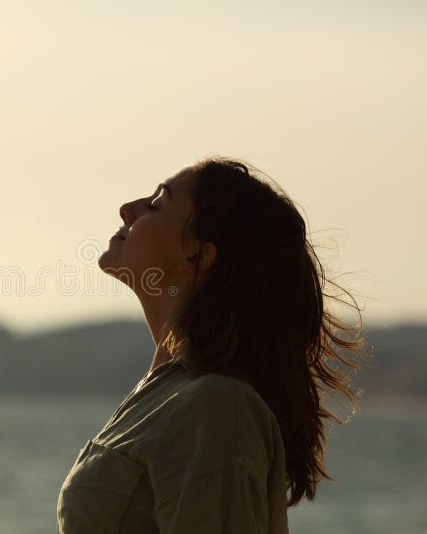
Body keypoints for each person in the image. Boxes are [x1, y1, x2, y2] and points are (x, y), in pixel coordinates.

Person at [56, 157, 372, 533]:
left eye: (157, 204)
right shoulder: (166, 393)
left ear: (200, 254)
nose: (127, 210)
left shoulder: (217, 405)